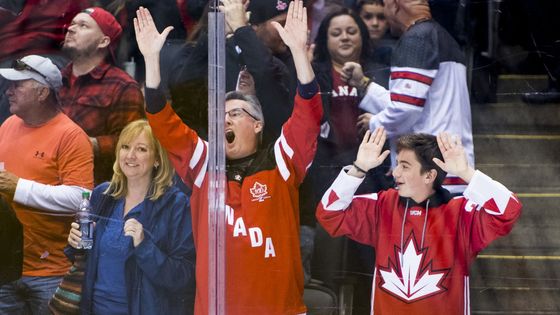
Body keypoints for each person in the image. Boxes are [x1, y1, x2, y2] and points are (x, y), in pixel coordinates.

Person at [135, 0, 323, 313]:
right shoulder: (204, 162)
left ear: (259, 124)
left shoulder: (281, 162)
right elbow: (161, 119)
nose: (226, 120)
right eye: (221, 115)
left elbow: (309, 112)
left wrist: (299, 55)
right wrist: (152, 61)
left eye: (236, 113)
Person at [316, 127, 522, 314]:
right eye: (397, 164)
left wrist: (466, 173)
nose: (395, 172)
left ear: (429, 176)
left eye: (405, 166)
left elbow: (510, 209)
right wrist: (359, 167)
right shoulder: (382, 205)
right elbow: (328, 213)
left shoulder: (461, 213)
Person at [65, 119, 195, 314]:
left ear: (157, 159)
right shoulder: (103, 195)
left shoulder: (176, 205)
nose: (130, 156)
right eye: (125, 147)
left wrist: (144, 246)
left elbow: (185, 276)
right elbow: (85, 259)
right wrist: (74, 244)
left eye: (141, 149)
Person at [345, 0, 475, 193]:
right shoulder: (443, 38)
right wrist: (364, 84)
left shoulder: (416, 39)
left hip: (428, 175)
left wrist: (375, 124)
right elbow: (414, 103)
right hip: (453, 171)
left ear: (395, 5)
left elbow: (407, 108)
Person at [0, 55, 94, 314]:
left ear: (42, 92)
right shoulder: (8, 125)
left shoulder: (72, 136)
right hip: (7, 267)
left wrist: (19, 188)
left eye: (18, 85)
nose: (9, 90)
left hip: (51, 271)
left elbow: (81, 198)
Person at [59, 7, 145, 184]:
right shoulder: (55, 79)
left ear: (103, 41)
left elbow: (133, 145)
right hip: (44, 179)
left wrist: (88, 144)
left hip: (92, 189)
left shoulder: (122, 86)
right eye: (72, 23)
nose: (71, 28)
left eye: (83, 26)